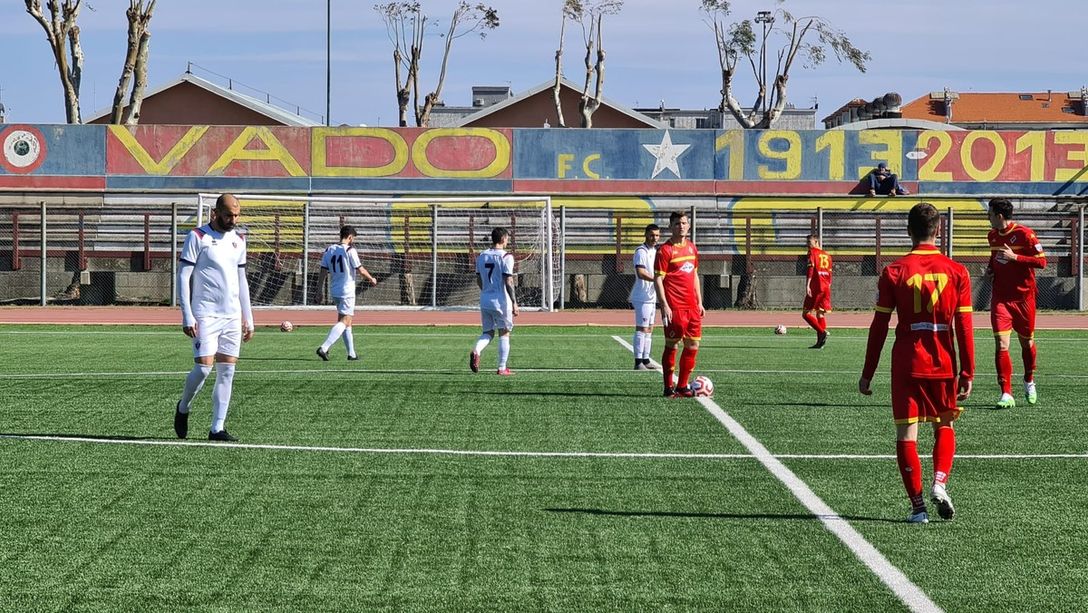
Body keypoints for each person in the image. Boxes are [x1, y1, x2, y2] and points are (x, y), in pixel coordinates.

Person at [859, 202, 975, 524]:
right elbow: (964, 327)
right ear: (938, 230)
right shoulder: (957, 271)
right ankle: (940, 482)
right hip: (943, 360)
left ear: (908, 231)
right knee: (944, 425)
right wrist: (968, 371)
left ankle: (918, 508)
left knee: (906, 434)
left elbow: (879, 326)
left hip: (907, 361)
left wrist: (868, 373)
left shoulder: (894, 271)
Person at [175, 194, 253, 442]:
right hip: (205, 313)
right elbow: (183, 276)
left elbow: (241, 280)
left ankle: (217, 428)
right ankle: (183, 407)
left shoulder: (239, 240)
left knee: (227, 371)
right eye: (229, 215)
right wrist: (187, 314)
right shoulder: (197, 237)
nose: (233, 220)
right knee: (203, 368)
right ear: (216, 213)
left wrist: (248, 317)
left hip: (232, 315)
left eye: (236, 215)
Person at [986, 198, 1046, 409]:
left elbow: (1042, 262)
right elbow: (994, 257)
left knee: (1026, 343)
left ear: (999, 216)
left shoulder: (1025, 234)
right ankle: (1006, 393)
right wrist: (991, 269)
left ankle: (1029, 380)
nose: (988, 218)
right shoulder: (992, 235)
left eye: (990, 214)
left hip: (1024, 299)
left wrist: (1016, 257)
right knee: (1001, 344)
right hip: (1001, 298)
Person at [654, 211, 705, 398]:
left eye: (683, 223)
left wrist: (699, 302)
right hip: (675, 307)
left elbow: (694, 275)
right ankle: (668, 387)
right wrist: (664, 305)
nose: (681, 226)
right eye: (677, 223)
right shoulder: (665, 250)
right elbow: (658, 279)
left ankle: (682, 386)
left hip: (692, 307)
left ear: (688, 226)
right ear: (670, 227)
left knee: (693, 345)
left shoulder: (692, 248)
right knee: (672, 345)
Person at [315, 225, 378, 361]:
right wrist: (371, 279)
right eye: (353, 238)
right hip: (347, 291)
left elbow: (323, 271)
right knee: (345, 321)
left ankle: (352, 354)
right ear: (350, 237)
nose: (353, 240)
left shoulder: (329, 249)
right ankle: (324, 348)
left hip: (335, 290)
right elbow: (361, 270)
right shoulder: (350, 250)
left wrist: (319, 290)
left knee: (346, 322)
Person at [469, 227, 519, 375]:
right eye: (507, 238)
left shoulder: (482, 256)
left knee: (488, 332)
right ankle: (502, 368)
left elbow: (479, 279)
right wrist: (514, 302)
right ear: (503, 239)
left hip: (485, 299)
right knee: (504, 333)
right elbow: (508, 280)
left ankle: (477, 350)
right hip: (501, 301)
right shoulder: (506, 257)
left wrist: (486, 290)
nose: (507, 241)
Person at [629, 224, 660, 370]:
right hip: (642, 295)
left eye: (657, 235)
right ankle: (638, 361)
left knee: (650, 328)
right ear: (646, 235)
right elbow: (641, 273)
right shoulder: (641, 251)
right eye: (652, 235)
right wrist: (657, 280)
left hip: (651, 296)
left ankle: (646, 359)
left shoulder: (656, 251)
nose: (655, 238)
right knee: (642, 328)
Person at [802, 233, 832, 349]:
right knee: (820, 313)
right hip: (826, 287)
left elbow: (811, 269)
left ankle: (822, 332)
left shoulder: (812, 252)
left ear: (816, 242)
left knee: (806, 314)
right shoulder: (827, 255)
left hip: (817, 286)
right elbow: (830, 273)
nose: (807, 245)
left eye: (809, 242)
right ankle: (820, 342)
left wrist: (808, 285)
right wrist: (828, 285)